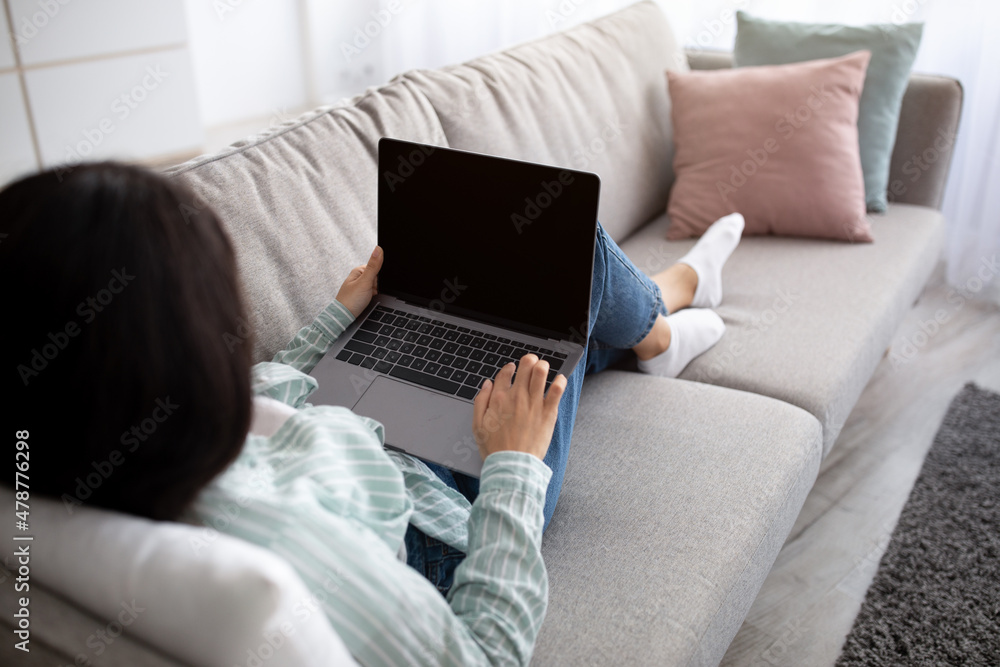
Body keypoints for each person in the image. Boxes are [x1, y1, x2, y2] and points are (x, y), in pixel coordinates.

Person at [2, 163, 743, 666]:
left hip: (357, 431)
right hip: (451, 503)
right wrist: (513, 466)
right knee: (569, 256)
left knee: (532, 315)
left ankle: (651, 323)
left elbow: (259, 399)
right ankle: (663, 318)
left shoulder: (104, 445)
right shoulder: (288, 562)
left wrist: (337, 321)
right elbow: (483, 652)